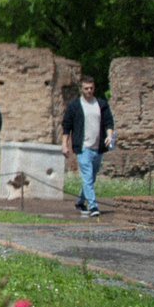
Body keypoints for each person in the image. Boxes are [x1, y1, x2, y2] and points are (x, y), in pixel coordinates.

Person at [61, 75, 115, 217]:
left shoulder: (101, 104)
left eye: (91, 88)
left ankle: (80, 202)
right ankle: (93, 206)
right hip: (83, 147)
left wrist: (109, 136)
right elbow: (66, 126)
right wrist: (64, 145)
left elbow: (109, 122)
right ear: (81, 89)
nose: (89, 91)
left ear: (94, 88)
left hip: (98, 147)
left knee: (91, 177)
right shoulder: (74, 106)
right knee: (87, 177)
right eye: (86, 88)